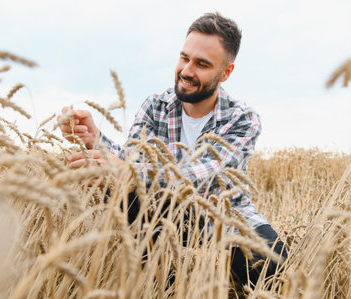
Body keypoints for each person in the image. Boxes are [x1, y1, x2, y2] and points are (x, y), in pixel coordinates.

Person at [59, 12, 287, 287]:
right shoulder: (155, 106)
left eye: (202, 64)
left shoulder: (242, 118)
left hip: (223, 218)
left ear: (225, 72)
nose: (187, 71)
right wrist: (96, 139)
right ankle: (162, 283)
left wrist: (127, 170)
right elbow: (133, 161)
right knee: (117, 189)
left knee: (274, 262)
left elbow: (199, 174)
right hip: (163, 210)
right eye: (184, 58)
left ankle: (216, 286)